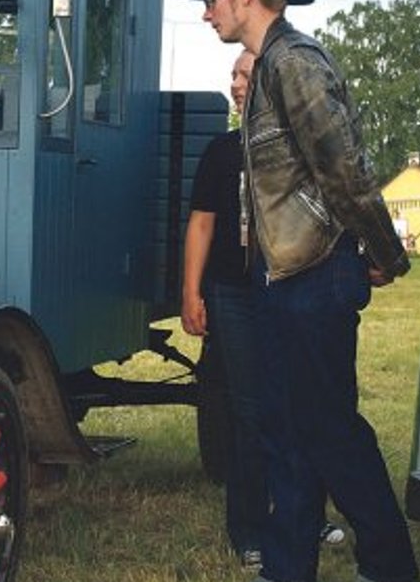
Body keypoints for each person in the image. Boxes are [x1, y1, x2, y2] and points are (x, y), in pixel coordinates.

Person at [176, 0, 417, 582]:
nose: (206, 15)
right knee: (287, 431)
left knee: (330, 430)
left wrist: (383, 254)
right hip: (281, 280)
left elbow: (343, 169)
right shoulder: (268, 71)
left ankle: (390, 564)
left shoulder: (297, 64)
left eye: (211, 0)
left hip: (316, 278)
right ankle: (287, 567)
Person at [182, 48, 266, 567]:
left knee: (296, 403)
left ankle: (304, 512)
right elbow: (202, 224)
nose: (235, 84)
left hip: (288, 292)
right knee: (249, 410)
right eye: (233, 75)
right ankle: (250, 529)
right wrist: (192, 292)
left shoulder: (298, 150)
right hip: (233, 294)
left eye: (246, 74)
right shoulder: (221, 152)